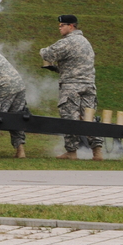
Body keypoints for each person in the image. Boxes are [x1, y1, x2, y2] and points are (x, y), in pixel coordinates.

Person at [39, 14, 103, 161]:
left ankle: (71, 152)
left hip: (71, 86)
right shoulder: (86, 42)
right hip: (89, 86)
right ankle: (97, 152)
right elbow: (75, 65)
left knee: (70, 118)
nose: (59, 28)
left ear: (71, 26)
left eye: (62, 25)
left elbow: (47, 53)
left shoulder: (69, 41)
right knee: (89, 118)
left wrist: (42, 52)